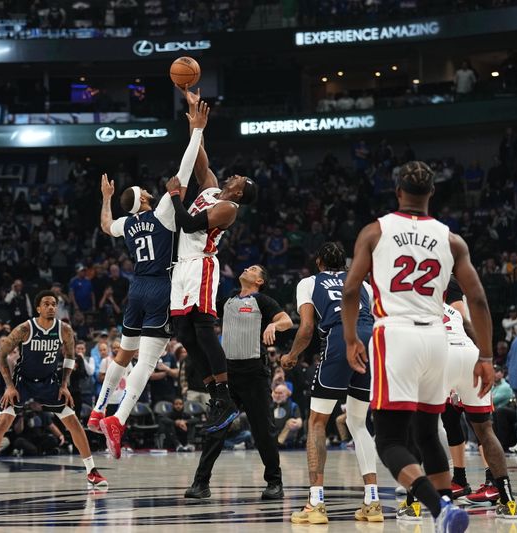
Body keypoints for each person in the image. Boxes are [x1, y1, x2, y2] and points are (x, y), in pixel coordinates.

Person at [341, 161, 496, 531]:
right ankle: (447, 513)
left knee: (390, 440)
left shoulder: (375, 231)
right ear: (432, 193)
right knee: (427, 433)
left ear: (397, 192)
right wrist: (487, 356)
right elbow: (478, 300)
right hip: (437, 337)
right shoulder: (451, 239)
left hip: (395, 334)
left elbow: (350, 290)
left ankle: (438, 507)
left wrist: (350, 339)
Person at [89, 100, 207, 458]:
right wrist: (197, 128)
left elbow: (106, 226)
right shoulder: (162, 213)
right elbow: (185, 171)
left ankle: (98, 410)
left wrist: (106, 199)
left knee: (123, 354)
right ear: (143, 198)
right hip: (158, 287)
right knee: (147, 362)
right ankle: (118, 419)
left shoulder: (128, 224)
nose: (150, 191)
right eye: (144, 190)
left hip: (135, 287)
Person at [166, 91, 257, 434]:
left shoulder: (228, 209)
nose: (234, 177)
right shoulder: (212, 187)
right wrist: (195, 122)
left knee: (204, 330)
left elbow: (188, 225)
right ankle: (216, 395)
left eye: (240, 180)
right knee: (184, 334)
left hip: (202, 265)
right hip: (182, 265)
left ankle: (226, 393)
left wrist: (175, 195)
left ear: (240, 193)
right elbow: (197, 157)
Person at [281, 243, 382, 524]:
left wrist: (291, 356)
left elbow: (307, 328)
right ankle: (372, 502)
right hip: (371, 342)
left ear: (319, 262)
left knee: (316, 422)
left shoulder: (309, 282)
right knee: (359, 423)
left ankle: (315, 502)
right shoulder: (363, 284)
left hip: (340, 338)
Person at [0, 291, 107, 492]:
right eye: (47, 304)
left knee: (73, 423)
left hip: (49, 382)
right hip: (23, 382)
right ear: (38, 308)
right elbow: (1, 355)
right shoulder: (25, 329)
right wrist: (9, 386)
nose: (51, 307)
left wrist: (64, 385)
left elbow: (70, 357)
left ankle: (91, 471)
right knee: (2, 422)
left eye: (54, 304)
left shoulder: (65, 330)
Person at [185, 264, 291, 500]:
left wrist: (274, 324)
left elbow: (287, 320)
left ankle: (275, 483)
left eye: (253, 269)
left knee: (264, 432)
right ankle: (201, 483)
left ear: (260, 281)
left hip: (254, 374)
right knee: (216, 429)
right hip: (228, 375)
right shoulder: (228, 301)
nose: (246, 268)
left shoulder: (262, 300)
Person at [438, 279, 517, 515]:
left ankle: (492, 481)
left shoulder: (445, 285)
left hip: (451, 352)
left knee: (475, 425)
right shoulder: (436, 286)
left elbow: (463, 317)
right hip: (468, 351)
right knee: (457, 422)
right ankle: (462, 480)